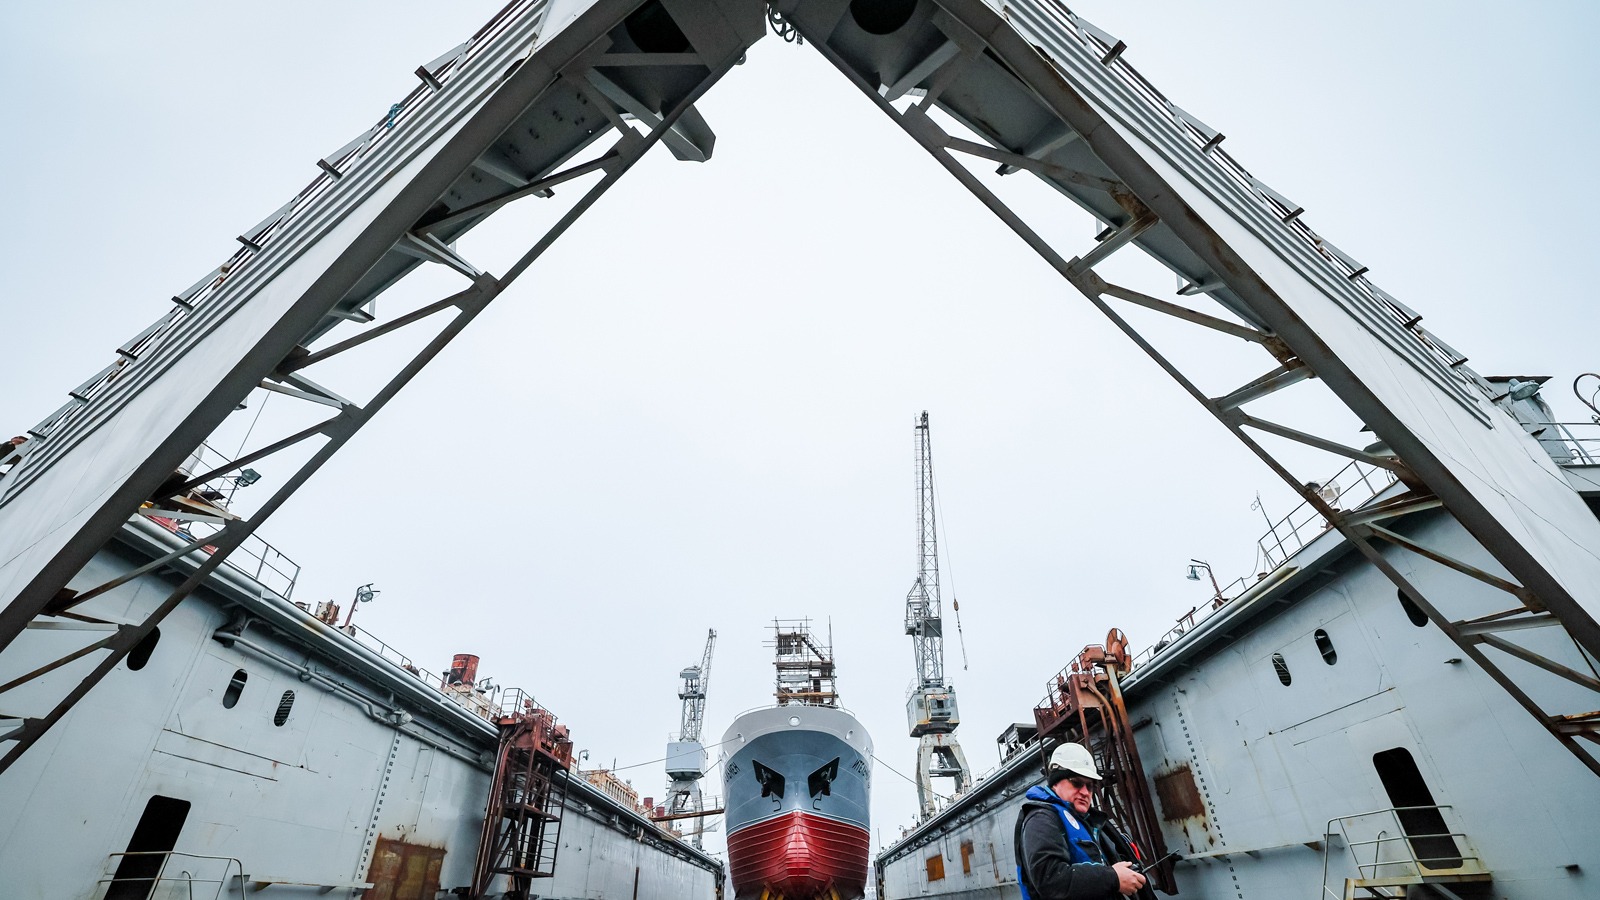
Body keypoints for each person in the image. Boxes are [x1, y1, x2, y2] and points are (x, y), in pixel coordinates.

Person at [1014, 743, 1148, 899]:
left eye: (1090, 786)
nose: (1085, 792)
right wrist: (1113, 878)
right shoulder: (1041, 819)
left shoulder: (1088, 822)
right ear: (1055, 782)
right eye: (1076, 783)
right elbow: (1049, 879)